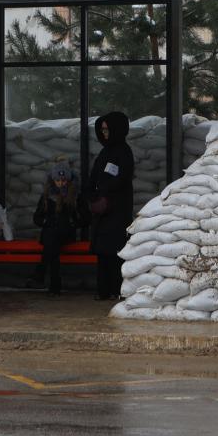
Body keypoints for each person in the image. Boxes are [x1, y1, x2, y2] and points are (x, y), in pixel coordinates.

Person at [86, 111, 134, 300]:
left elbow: (123, 178)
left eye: (107, 129)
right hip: (102, 212)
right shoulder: (104, 152)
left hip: (117, 211)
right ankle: (103, 290)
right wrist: (92, 195)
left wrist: (107, 194)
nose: (104, 133)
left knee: (115, 252)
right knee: (102, 254)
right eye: (102, 129)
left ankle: (115, 289)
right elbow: (94, 176)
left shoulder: (123, 152)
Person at [32, 161, 86, 296]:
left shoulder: (75, 195)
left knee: (51, 242)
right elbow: (37, 217)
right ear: (53, 180)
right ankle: (54, 287)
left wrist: (72, 224)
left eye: (63, 180)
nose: (60, 183)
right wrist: (45, 222)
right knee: (52, 246)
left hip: (66, 234)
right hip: (51, 234)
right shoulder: (47, 196)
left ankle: (40, 274)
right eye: (57, 180)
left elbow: (86, 218)